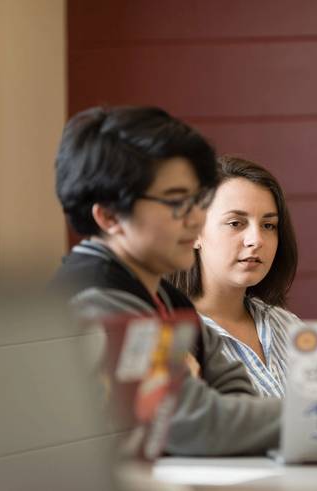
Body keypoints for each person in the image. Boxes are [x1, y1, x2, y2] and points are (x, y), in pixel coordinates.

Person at [51, 106, 280, 456]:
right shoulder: (95, 299)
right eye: (176, 202)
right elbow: (195, 425)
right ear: (110, 215)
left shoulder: (168, 300)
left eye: (197, 201)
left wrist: (224, 417)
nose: (196, 219)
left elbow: (237, 401)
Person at [168, 156, 301, 398]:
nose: (256, 240)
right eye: (236, 223)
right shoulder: (168, 337)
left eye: (268, 225)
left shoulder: (288, 325)